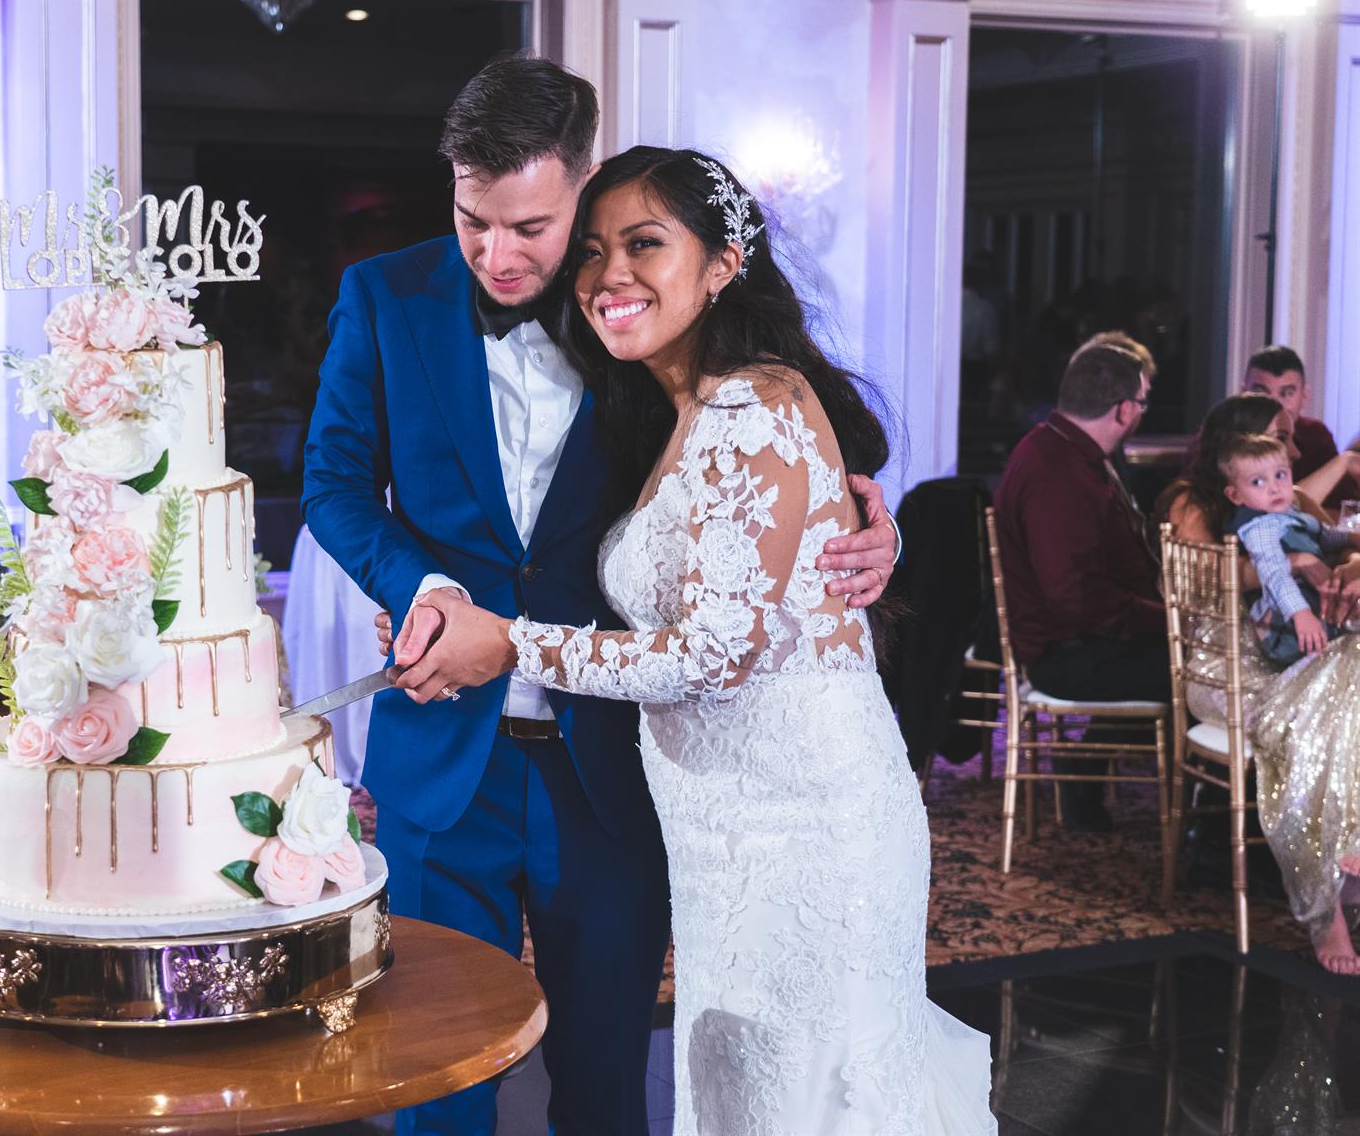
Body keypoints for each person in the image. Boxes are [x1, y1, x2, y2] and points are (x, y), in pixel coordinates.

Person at [301, 58, 903, 1136]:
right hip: (444, 761)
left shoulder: (635, 306)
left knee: (607, 1079)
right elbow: (333, 483)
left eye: (531, 227)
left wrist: (865, 519)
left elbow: (778, 449)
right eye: (473, 221)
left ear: (582, 182)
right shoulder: (383, 296)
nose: (498, 255)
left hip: (617, 762)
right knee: (435, 1080)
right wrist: (422, 584)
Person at [380, 147, 992, 1134]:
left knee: (811, 1094)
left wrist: (507, 643)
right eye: (591, 250)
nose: (607, 273)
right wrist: (442, 610)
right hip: (716, 827)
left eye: (644, 244)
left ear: (722, 264)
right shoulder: (667, 410)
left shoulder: (755, 403)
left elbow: (714, 653)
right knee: (743, 1090)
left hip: (803, 821)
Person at [1164, 398, 1360, 973]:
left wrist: (1345, 562)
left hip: (1288, 659)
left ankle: (1348, 857)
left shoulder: (1281, 497)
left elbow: (1332, 541)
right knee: (1323, 712)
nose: (1294, 453)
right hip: (1225, 668)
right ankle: (1327, 907)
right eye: (1281, 438)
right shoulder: (1195, 504)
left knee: (1350, 684)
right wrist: (1295, 565)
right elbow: (1220, 578)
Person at [992, 335, 1166, 831]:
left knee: (1196, 659)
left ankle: (1086, 771)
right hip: (1065, 655)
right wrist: (1167, 620)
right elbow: (1076, 599)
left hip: (1082, 640)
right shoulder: (1057, 472)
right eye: (1142, 403)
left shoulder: (1062, 450)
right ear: (1125, 410)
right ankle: (1211, 831)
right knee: (1202, 672)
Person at [1220, 433, 1357, 665]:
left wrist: (1352, 538)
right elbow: (1275, 573)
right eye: (1258, 482)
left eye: (1280, 475)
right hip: (1286, 625)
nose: (1274, 488)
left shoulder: (1292, 515)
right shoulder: (1259, 529)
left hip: (1317, 609)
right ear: (1235, 495)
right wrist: (1300, 613)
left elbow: (1325, 535)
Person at [1246, 344, 1360, 509]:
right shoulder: (1225, 438)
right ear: (1243, 393)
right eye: (1261, 392)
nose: (1274, 404)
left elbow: (1338, 510)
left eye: (1286, 393)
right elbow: (1278, 513)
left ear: (1304, 397)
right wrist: (1343, 462)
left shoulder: (1315, 435)